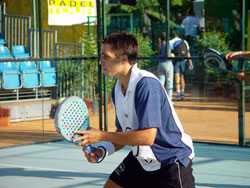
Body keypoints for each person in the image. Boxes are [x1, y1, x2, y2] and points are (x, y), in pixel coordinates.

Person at [74, 32, 195, 188]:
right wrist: (103, 150)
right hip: (142, 160)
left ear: (123, 58)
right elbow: (122, 131)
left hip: (170, 161)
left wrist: (101, 135)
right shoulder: (117, 90)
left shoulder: (146, 85)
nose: (100, 62)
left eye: (106, 56)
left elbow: (147, 137)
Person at [170, 31, 193, 101]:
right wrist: (191, 63)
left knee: (177, 78)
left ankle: (178, 94)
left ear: (171, 36)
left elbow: (169, 53)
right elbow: (188, 53)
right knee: (182, 77)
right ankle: (182, 94)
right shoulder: (184, 41)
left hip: (176, 61)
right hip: (183, 61)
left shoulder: (171, 42)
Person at [157, 32, 174, 101]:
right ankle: (169, 100)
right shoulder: (167, 44)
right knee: (169, 83)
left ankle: (160, 100)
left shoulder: (159, 45)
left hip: (160, 64)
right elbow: (169, 55)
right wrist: (172, 55)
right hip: (168, 63)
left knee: (161, 83)